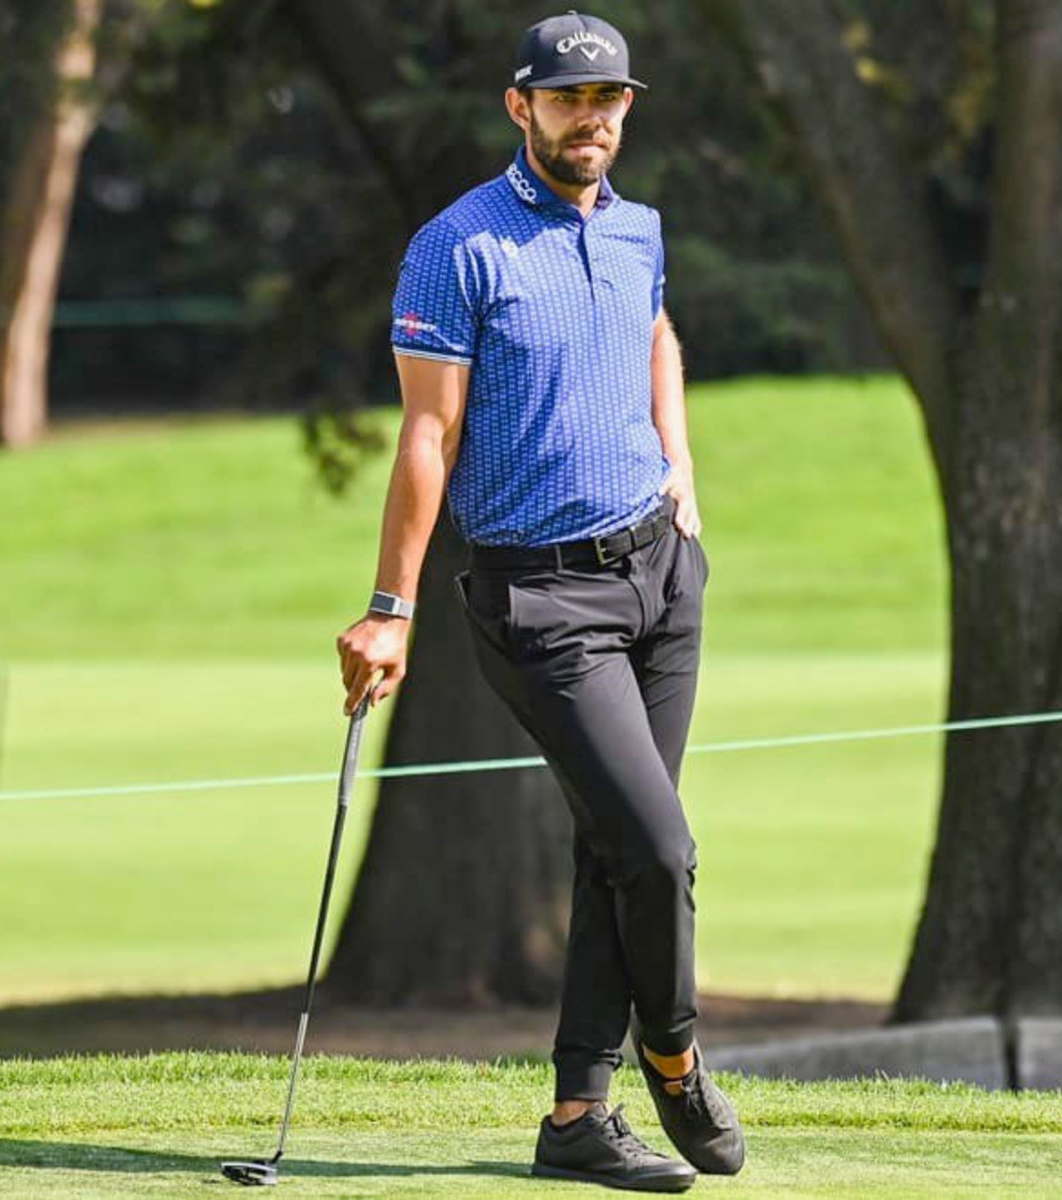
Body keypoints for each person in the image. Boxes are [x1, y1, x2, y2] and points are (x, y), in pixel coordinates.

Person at [336, 11, 744, 1192]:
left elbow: (655, 333)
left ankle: (577, 1116)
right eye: (568, 99)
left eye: (609, 99)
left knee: (618, 848)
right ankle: (674, 1058)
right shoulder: (457, 247)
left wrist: (682, 469)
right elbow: (428, 433)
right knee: (657, 848)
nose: (591, 119)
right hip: (541, 599)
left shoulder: (638, 229)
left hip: (660, 574)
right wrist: (391, 606)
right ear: (521, 107)